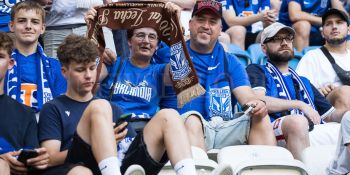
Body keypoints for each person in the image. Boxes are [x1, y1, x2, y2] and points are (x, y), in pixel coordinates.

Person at [172, 0, 276, 152]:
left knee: (260, 116)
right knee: (192, 119)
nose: (206, 26)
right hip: (186, 128)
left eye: (212, 22)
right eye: (201, 20)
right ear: (190, 24)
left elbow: (246, 96)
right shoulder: (172, 54)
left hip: (224, 128)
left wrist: (256, 104)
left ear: (220, 29)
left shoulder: (230, 61)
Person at [246, 22, 345, 160]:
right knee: (297, 122)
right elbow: (258, 101)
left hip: (310, 130)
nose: (284, 42)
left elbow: (330, 115)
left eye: (288, 38)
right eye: (276, 39)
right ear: (264, 48)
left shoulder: (303, 80)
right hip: (272, 131)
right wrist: (299, 104)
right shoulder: (256, 70)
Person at [0, 31, 50, 175]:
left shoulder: (26, 113)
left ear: (10, 64)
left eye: (0, 57)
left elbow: (31, 158)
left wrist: (37, 161)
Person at [6, 1, 66, 115]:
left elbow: (63, 108)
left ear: (42, 28)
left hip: (44, 127)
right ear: (11, 26)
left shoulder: (55, 66)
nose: (28, 26)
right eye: (22, 21)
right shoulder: (3, 64)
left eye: (35, 22)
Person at [296, 9, 350, 113]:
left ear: (348, 30)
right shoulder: (312, 56)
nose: (334, 26)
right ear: (322, 33)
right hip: (327, 110)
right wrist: (319, 92)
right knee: (345, 91)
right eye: (328, 24)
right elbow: (300, 91)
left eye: (339, 22)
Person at [278, 0, 344, 52]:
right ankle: (300, 62)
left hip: (317, 31)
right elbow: (295, 15)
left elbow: (342, 18)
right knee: (303, 25)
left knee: (343, 27)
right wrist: (325, 22)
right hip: (290, 33)